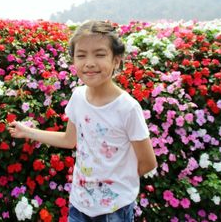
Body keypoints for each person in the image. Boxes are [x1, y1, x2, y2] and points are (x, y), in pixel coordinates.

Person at [8, 20, 157, 222]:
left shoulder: (127, 108)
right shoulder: (78, 97)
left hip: (114, 211)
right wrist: (28, 131)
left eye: (100, 54)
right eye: (81, 55)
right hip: (79, 205)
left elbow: (148, 162)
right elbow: (70, 140)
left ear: (116, 60)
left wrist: (117, 182)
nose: (89, 62)